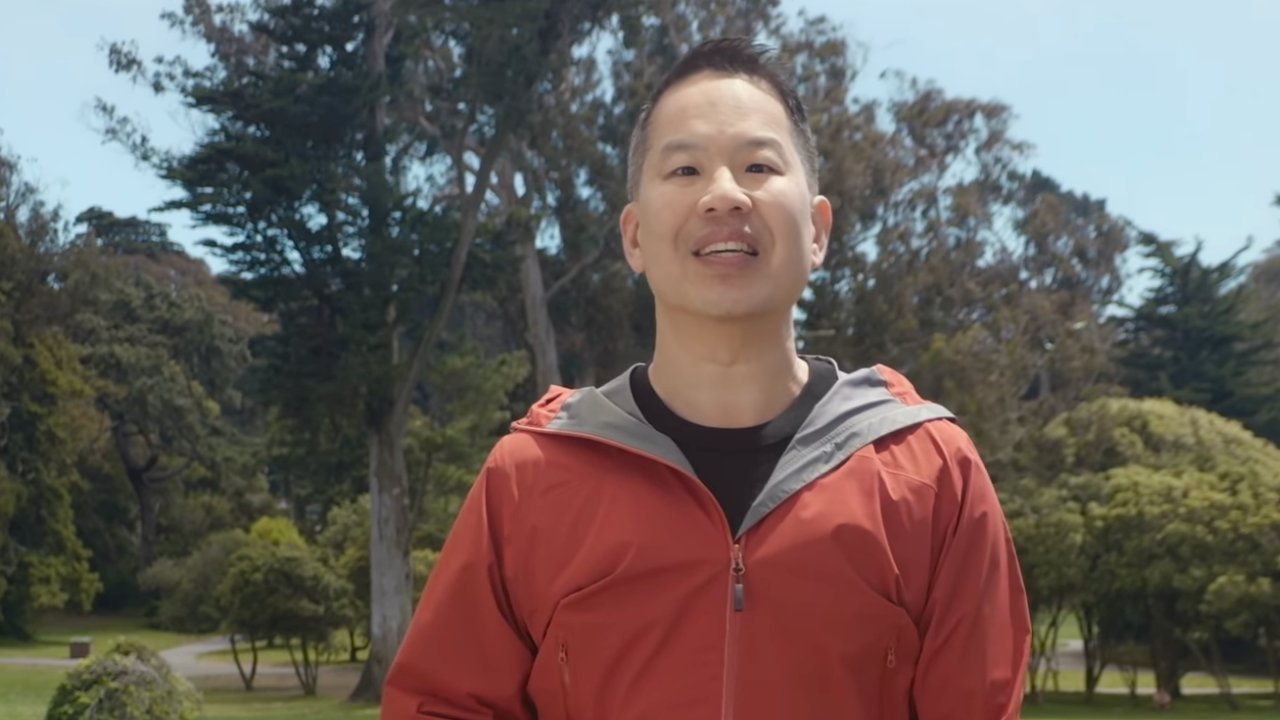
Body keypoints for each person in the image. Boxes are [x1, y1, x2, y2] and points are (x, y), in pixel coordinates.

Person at [382, 37, 1030, 719]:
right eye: (685, 169)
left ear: (817, 231)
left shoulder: (931, 476)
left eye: (758, 166)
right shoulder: (530, 479)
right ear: (634, 236)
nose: (724, 195)